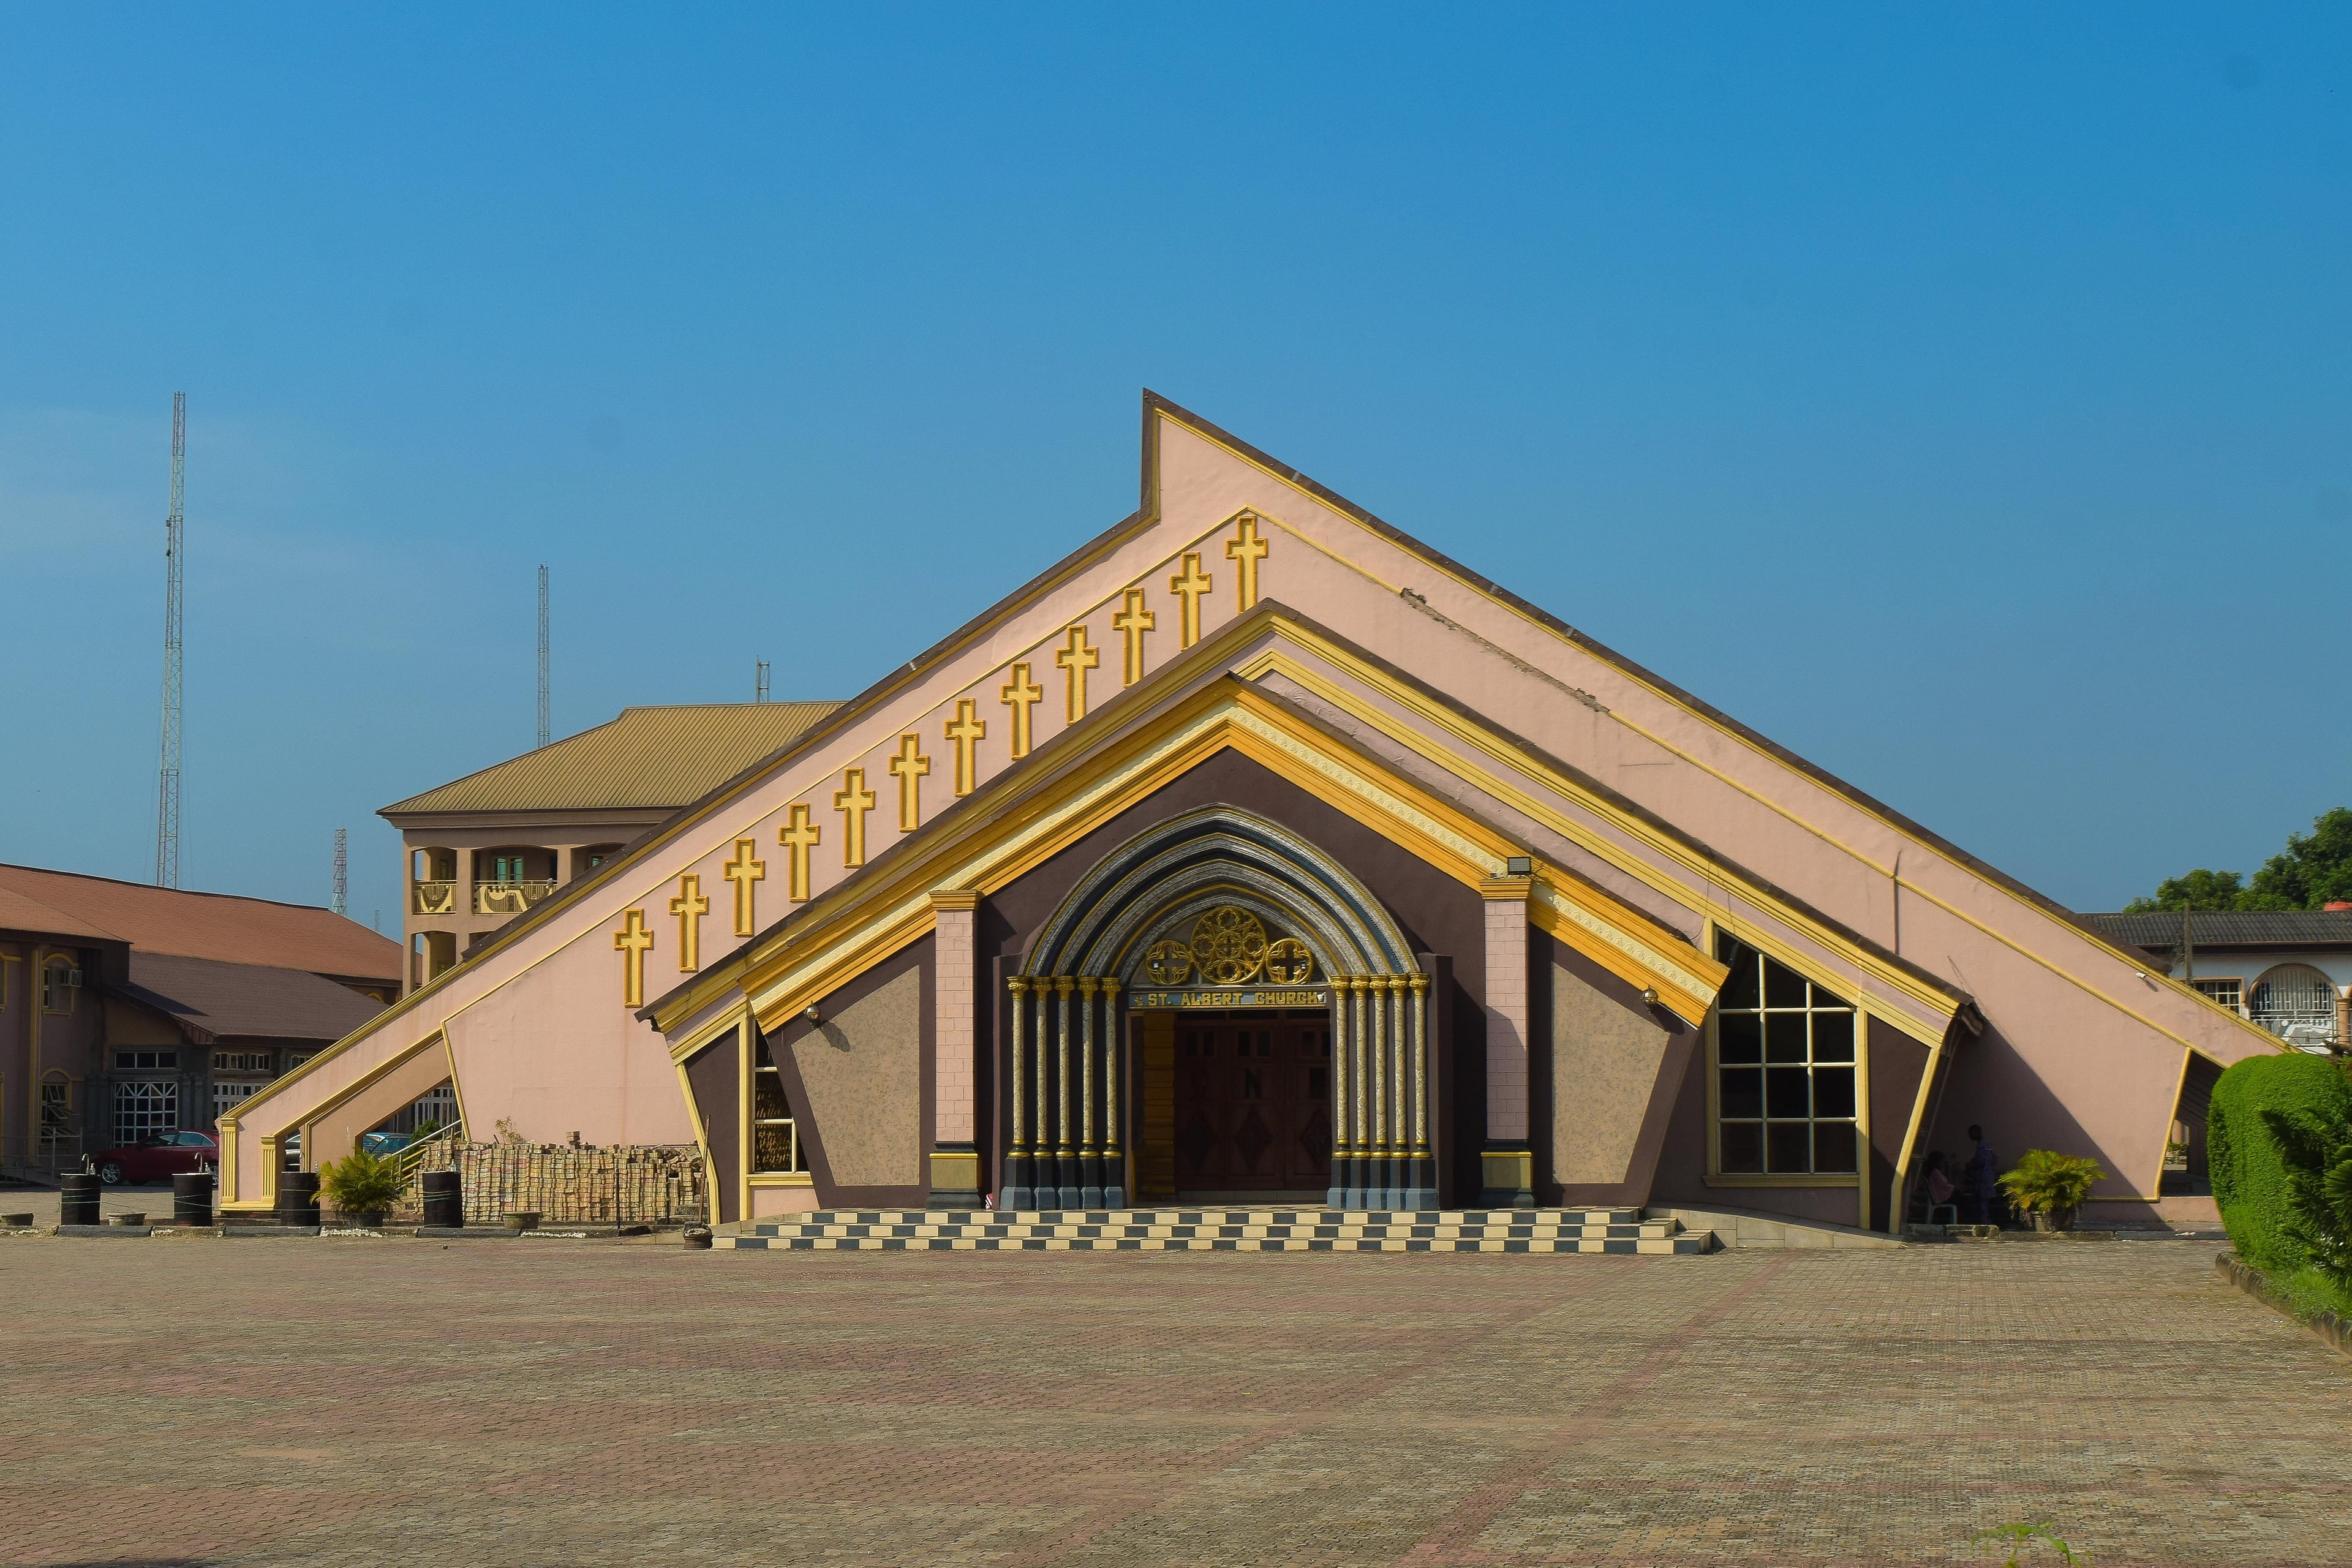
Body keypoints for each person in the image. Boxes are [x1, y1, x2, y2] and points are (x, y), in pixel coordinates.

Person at [1965, 1124, 1999, 1224]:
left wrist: (1971, 1164)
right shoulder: (1984, 1144)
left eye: (1971, 1134)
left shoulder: (1983, 1145)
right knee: (1981, 1200)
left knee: (1983, 1201)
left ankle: (1984, 1222)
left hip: (1983, 1177)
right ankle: (1983, 1220)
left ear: (1976, 1133)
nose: (1970, 1137)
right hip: (1985, 1175)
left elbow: (1981, 1160)